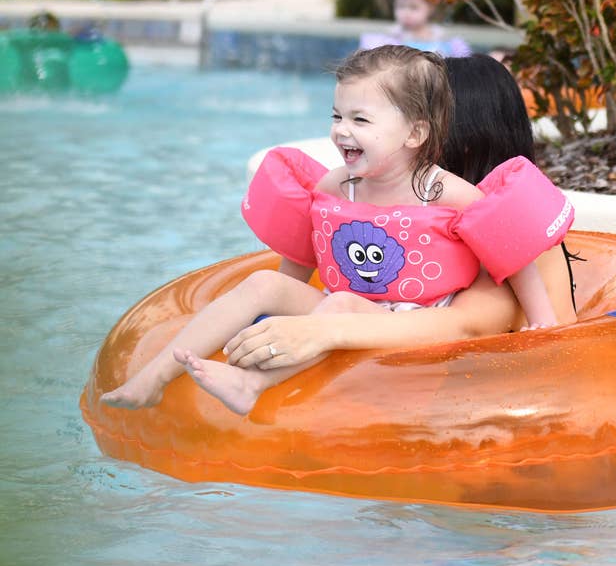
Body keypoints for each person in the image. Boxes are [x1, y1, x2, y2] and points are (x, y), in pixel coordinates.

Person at [102, 46, 572, 417]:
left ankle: (254, 380)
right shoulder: (345, 185)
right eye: (338, 117)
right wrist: (278, 315)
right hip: (365, 315)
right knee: (274, 287)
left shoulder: (462, 202)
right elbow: (300, 263)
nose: (343, 130)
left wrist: (322, 333)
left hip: (444, 379)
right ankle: (158, 374)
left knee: (342, 304)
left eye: (363, 119)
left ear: (426, 133)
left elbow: (473, 322)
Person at [359, 0, 470, 57]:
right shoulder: (390, 37)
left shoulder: (442, 37)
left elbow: (464, 59)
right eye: (400, 6)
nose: (406, 13)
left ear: (431, 7)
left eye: (413, 7)